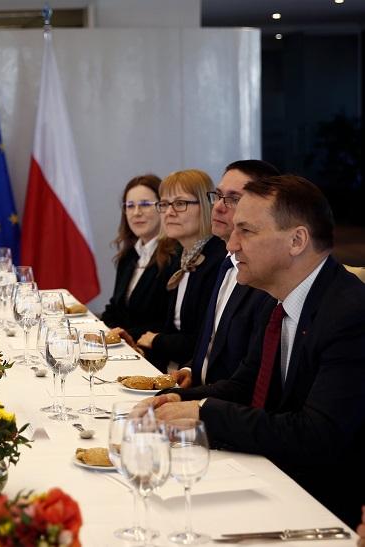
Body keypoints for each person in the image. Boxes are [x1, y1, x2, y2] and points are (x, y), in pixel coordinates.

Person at [151, 175, 365, 529]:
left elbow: (316, 435)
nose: (232, 245)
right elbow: (245, 384)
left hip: (322, 509)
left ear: (297, 240)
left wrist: (204, 412)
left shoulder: (349, 314)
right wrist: (175, 400)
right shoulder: (275, 300)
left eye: (246, 231)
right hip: (270, 476)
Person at [175, 160, 279, 388]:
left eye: (234, 199)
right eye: (218, 195)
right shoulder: (226, 262)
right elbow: (211, 341)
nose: (219, 207)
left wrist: (186, 398)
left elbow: (247, 379)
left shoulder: (266, 276)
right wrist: (190, 370)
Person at [136, 169, 226, 371]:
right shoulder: (180, 256)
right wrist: (143, 345)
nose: (169, 212)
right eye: (164, 204)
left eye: (180, 203)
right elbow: (168, 326)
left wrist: (156, 341)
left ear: (206, 206)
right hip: (170, 366)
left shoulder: (218, 261)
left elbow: (203, 341)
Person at [101, 174, 179, 346]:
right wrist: (97, 333)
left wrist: (122, 335)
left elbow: (167, 323)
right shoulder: (129, 256)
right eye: (130, 206)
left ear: (163, 207)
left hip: (152, 352)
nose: (136, 212)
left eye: (145, 204)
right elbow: (115, 309)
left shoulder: (175, 258)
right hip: (122, 348)